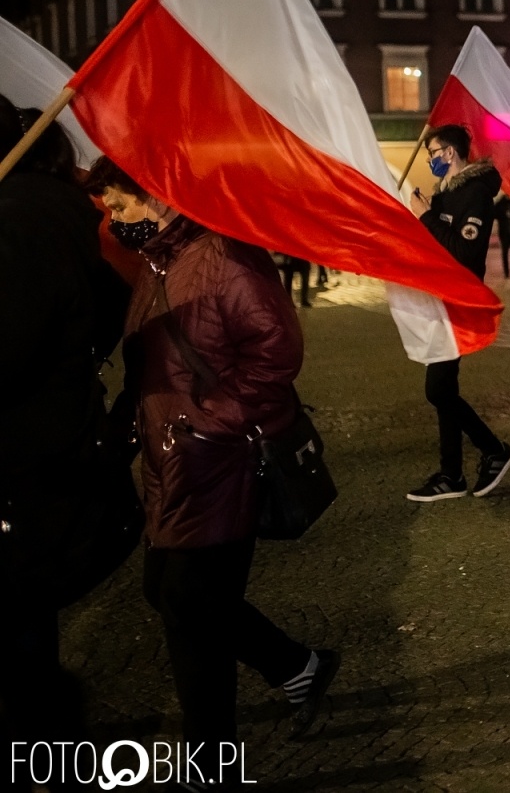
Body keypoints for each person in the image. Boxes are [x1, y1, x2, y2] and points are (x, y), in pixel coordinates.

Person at [87, 158, 341, 753]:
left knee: (190, 612)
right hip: (175, 460)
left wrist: (204, 423)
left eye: (120, 206)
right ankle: (298, 667)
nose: (115, 219)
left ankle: (211, 767)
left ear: (153, 193)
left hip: (218, 461)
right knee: (171, 593)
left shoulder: (223, 254)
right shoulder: (161, 258)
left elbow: (276, 353)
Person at [0, 101, 140, 772]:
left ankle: (50, 758)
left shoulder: (17, 215)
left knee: (23, 636)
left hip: (28, 461)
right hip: (53, 450)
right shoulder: (57, 206)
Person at [405, 125, 510, 502]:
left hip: (458, 300)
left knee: (438, 389)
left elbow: (466, 255)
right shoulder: (443, 196)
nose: (431, 160)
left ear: (450, 153)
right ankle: (451, 474)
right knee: (444, 388)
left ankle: (494, 450)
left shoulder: (476, 195)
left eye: (433, 152)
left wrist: (427, 217)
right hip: (439, 298)